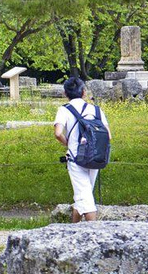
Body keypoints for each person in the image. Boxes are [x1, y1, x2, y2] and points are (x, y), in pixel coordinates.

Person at [53, 77, 111, 223]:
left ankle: (92, 232)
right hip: (96, 158)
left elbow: (58, 133)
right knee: (83, 196)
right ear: (84, 92)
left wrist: (68, 144)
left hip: (76, 159)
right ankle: (74, 227)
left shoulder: (64, 110)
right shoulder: (96, 110)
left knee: (86, 199)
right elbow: (108, 135)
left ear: (65, 93)